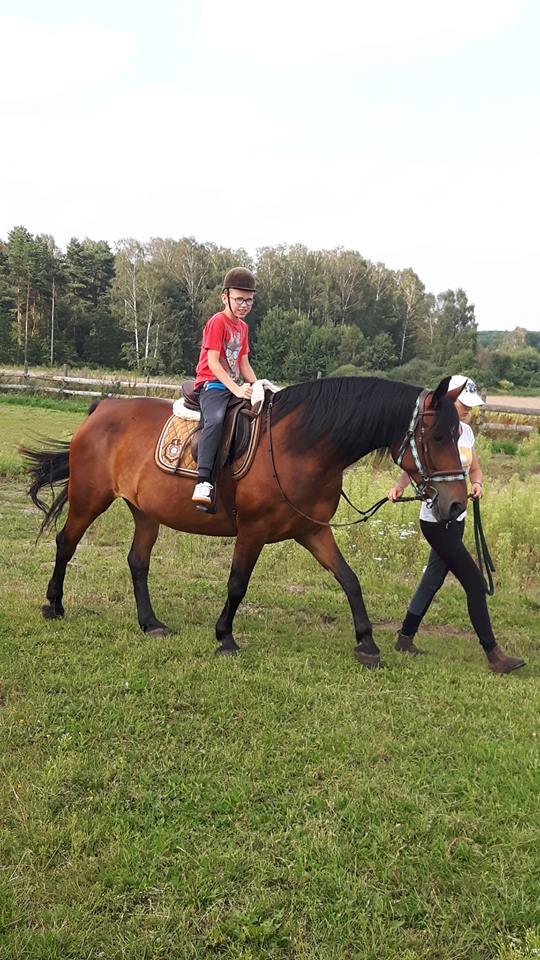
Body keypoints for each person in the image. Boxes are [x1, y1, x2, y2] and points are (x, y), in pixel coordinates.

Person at [388, 375, 526, 674]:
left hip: (458, 516)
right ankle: (494, 654)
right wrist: (399, 486)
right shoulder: (436, 429)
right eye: (464, 404)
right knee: (474, 583)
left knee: (433, 579)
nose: (469, 410)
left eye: (472, 406)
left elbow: (474, 469)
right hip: (435, 520)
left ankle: (404, 638)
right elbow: (419, 462)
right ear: (449, 401)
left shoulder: (466, 433)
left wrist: (477, 484)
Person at [192, 267, 258, 506]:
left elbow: (243, 363)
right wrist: (237, 389)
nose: (244, 305)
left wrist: (258, 386)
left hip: (231, 386)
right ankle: (203, 480)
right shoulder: (217, 322)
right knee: (216, 419)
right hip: (212, 385)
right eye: (239, 299)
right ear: (225, 297)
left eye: (249, 300)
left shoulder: (243, 328)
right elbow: (213, 362)